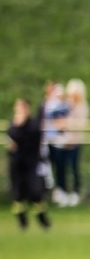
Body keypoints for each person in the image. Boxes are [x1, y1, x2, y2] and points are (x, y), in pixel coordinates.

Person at [8, 97, 48, 230]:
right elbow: (12, 140)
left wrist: (20, 126)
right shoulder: (14, 125)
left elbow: (31, 137)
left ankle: (43, 221)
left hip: (31, 164)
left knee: (35, 192)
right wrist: (17, 126)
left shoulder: (33, 124)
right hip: (17, 164)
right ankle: (22, 222)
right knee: (18, 195)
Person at [57, 79, 87, 206]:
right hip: (61, 142)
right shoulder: (64, 105)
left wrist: (68, 125)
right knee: (60, 168)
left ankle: (75, 192)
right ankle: (62, 192)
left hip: (75, 142)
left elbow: (78, 125)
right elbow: (58, 122)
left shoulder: (82, 107)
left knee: (74, 168)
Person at [41, 82, 70, 204]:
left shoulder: (62, 106)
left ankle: (61, 192)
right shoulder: (45, 104)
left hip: (58, 141)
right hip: (46, 141)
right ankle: (46, 194)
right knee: (46, 168)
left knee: (60, 168)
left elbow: (62, 122)